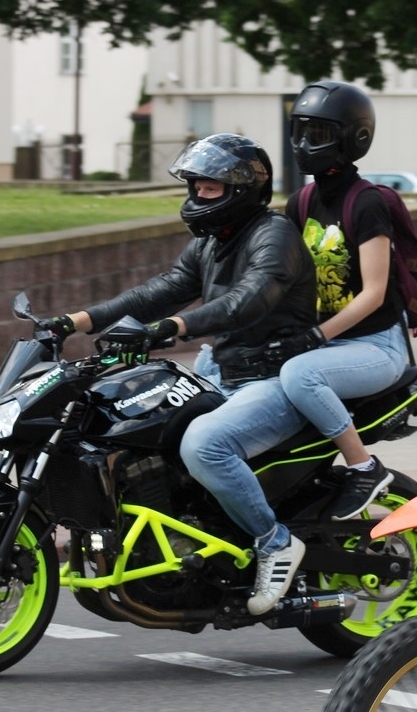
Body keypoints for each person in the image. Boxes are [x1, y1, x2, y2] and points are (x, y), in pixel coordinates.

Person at [39, 133, 318, 617]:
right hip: (225, 370)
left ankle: (275, 542)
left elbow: (248, 300)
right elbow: (159, 291)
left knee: (204, 446)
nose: (198, 197)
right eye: (195, 187)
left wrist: (173, 327)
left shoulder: (274, 236)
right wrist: (74, 322)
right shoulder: (213, 240)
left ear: (241, 190)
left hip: (275, 378)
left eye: (210, 188)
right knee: (139, 424)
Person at [282, 80, 411, 522]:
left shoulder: (366, 203)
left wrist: (315, 336)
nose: (304, 143)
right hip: (325, 343)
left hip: (375, 346)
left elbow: (374, 293)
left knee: (300, 376)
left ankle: (363, 466)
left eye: (317, 133)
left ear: (353, 139)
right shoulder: (300, 202)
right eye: (300, 131)